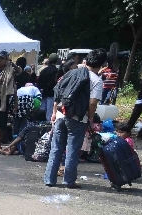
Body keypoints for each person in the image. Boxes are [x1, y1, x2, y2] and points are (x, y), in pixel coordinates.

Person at [44, 49, 106, 188]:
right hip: (78, 118)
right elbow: (92, 102)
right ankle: (68, 180)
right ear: (102, 64)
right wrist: (90, 118)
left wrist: (54, 112)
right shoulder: (96, 80)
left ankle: (49, 179)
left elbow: (57, 93)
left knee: (56, 148)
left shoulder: (71, 73)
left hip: (61, 114)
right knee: (72, 149)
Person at [37, 54, 60, 120]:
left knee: (43, 108)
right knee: (50, 110)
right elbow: (53, 81)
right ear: (56, 61)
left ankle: (41, 122)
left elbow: (39, 81)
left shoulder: (43, 70)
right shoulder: (56, 70)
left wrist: (42, 89)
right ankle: (48, 124)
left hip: (43, 92)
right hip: (51, 92)